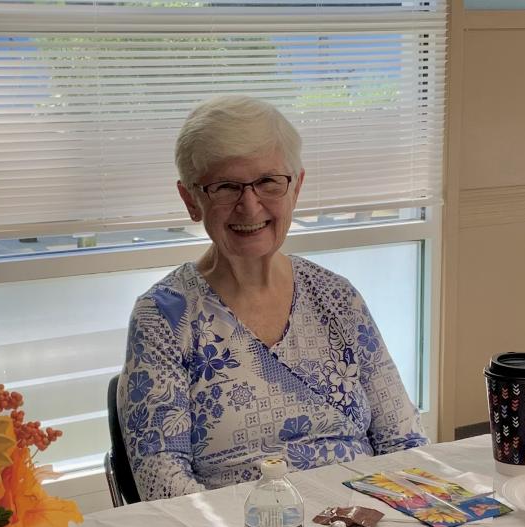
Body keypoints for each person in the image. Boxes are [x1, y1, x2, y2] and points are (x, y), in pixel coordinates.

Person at [118, 95, 427, 499]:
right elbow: (163, 486)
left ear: (296, 187)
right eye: (225, 186)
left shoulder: (337, 297)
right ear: (191, 199)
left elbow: (403, 441)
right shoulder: (163, 317)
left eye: (267, 181)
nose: (249, 206)